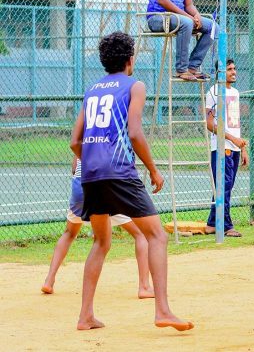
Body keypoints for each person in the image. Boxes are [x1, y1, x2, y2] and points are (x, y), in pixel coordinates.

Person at [72, 31, 192, 331]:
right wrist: (153, 170)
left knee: (101, 241)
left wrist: (94, 160)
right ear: (130, 59)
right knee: (157, 236)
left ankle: (85, 316)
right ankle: (162, 310)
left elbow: (74, 141)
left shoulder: (91, 90)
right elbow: (135, 132)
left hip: (90, 173)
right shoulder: (134, 85)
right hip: (119, 171)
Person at [42, 157, 153, 298]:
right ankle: (144, 287)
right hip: (104, 189)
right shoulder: (112, 142)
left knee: (69, 233)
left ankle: (49, 280)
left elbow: (74, 167)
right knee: (140, 234)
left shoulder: (83, 141)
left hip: (80, 187)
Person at [204, 59, 249, 237]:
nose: (233, 72)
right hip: (222, 147)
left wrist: (242, 148)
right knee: (224, 187)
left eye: (234, 68)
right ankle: (227, 226)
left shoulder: (235, 93)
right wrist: (232, 139)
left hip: (235, 147)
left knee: (225, 186)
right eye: (229, 69)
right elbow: (209, 124)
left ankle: (212, 223)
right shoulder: (213, 92)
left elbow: (235, 122)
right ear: (220, 73)